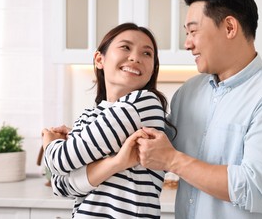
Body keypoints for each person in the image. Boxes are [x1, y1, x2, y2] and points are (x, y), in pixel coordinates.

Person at [135, 0, 262, 218]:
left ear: (230, 27)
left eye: (193, 31)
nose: (187, 44)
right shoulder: (188, 92)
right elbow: (152, 145)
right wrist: (80, 136)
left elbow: (255, 190)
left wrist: (172, 160)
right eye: (186, 33)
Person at [42, 22, 175, 218]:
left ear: (153, 69)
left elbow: (60, 161)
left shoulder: (144, 104)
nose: (135, 57)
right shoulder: (89, 116)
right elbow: (60, 186)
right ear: (99, 59)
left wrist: (50, 143)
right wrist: (115, 163)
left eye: (146, 53)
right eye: (125, 47)